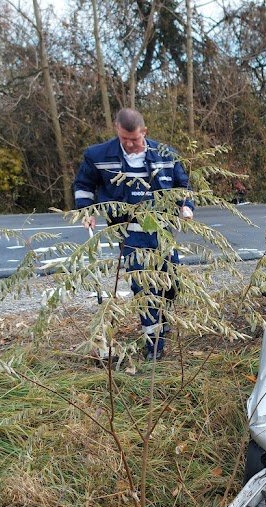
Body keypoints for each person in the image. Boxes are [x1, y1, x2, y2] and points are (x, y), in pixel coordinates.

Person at [73, 108, 194, 360]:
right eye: (124, 139)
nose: (129, 144)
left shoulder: (165, 154)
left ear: (144, 132)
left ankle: (163, 320)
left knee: (172, 282)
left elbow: (182, 185)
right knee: (145, 285)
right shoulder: (98, 156)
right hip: (129, 231)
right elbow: (84, 185)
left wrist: (185, 206)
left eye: (135, 140)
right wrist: (86, 210)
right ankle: (154, 345)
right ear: (117, 130)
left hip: (161, 229)